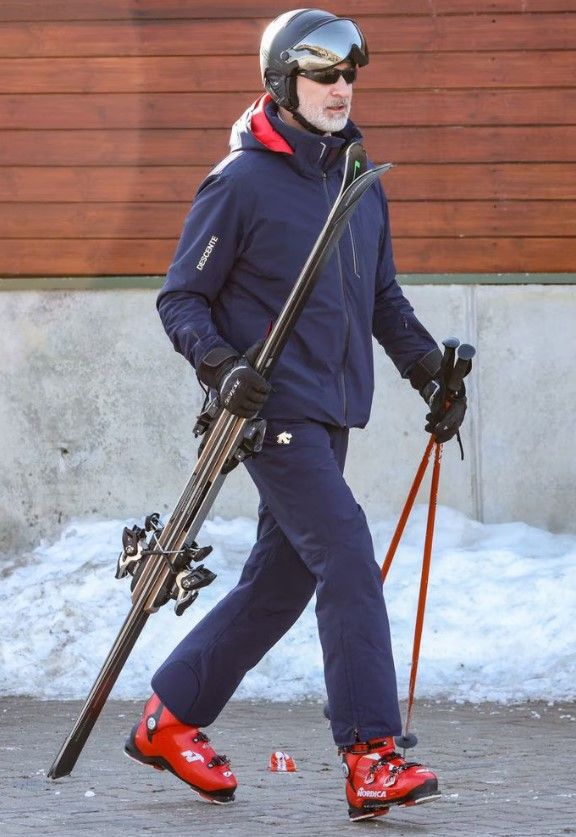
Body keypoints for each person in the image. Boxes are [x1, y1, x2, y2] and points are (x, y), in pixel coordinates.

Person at [124, 8, 467, 822]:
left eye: (349, 74)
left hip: (332, 409)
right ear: (284, 82)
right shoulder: (239, 182)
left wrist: (428, 373)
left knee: (277, 587)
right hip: (271, 413)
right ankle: (371, 754)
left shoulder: (356, 182)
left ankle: (168, 719)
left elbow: (381, 299)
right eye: (323, 74)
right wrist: (221, 363)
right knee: (348, 554)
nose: (341, 88)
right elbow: (182, 299)